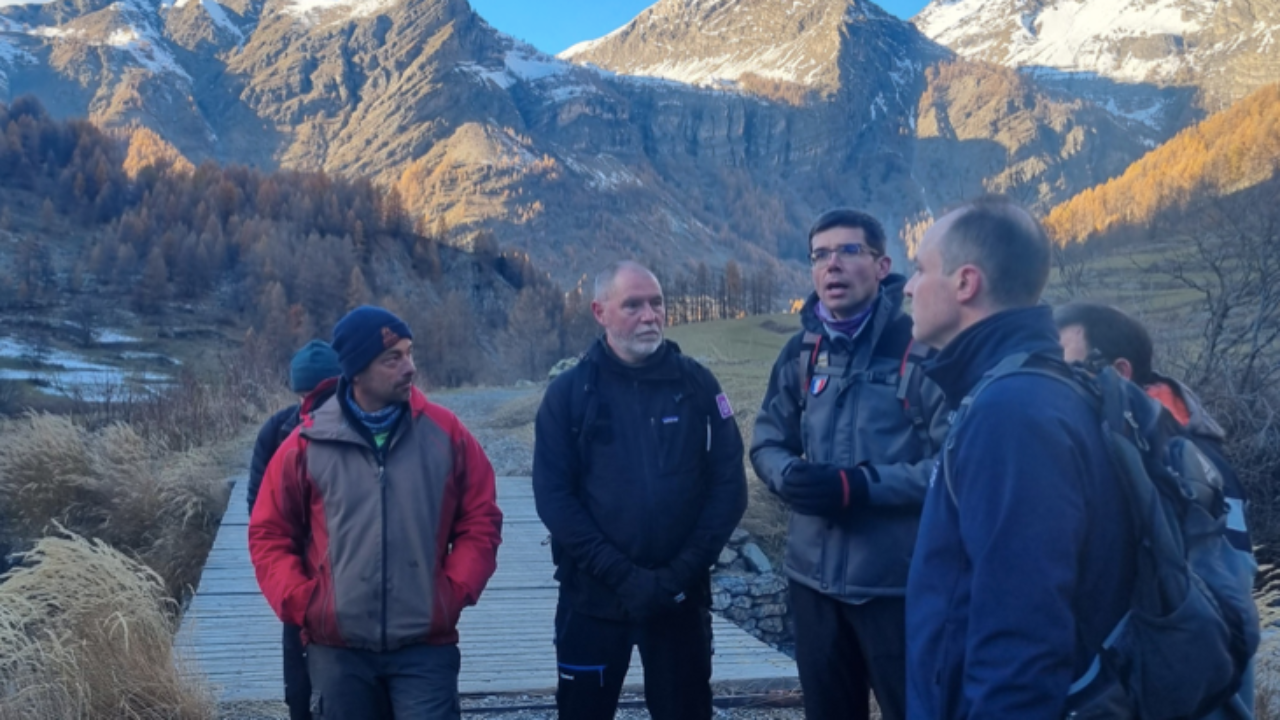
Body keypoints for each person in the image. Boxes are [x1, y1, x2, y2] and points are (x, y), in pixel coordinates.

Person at [903, 196, 1137, 719]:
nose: (909, 287)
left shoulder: (1010, 416)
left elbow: (1021, 639)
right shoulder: (1032, 391)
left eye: (920, 270)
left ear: (965, 283)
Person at [249, 306, 503, 720]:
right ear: (357, 371)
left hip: (426, 646)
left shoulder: (446, 434)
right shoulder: (305, 444)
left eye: (410, 353)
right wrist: (307, 603)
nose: (411, 368)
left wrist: (453, 591)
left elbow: (481, 518)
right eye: (394, 358)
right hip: (337, 651)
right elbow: (269, 534)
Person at [750, 209, 947, 720]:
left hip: (896, 587)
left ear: (882, 266)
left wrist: (860, 488)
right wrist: (789, 475)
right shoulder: (802, 352)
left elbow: (955, 470)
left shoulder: (922, 354)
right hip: (812, 584)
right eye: (820, 255)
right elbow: (767, 441)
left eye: (847, 251)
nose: (831, 265)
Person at [533, 261, 747, 720]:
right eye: (633, 305)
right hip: (592, 601)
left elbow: (729, 489)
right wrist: (624, 576)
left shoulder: (697, 387)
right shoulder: (568, 396)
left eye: (656, 303)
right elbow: (554, 500)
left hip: (679, 602)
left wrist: (677, 576)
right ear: (600, 311)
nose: (650, 315)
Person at [1054, 300, 1257, 716]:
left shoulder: (1191, 466)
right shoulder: (1130, 450)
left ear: (1121, 373)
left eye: (1070, 369)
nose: (1058, 384)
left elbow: (1230, 605)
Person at [246, 339, 342, 720]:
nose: (312, 401)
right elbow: (261, 514)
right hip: (299, 577)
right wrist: (293, 586)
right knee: (299, 686)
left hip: (346, 578)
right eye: (306, 392)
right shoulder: (276, 433)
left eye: (321, 392)